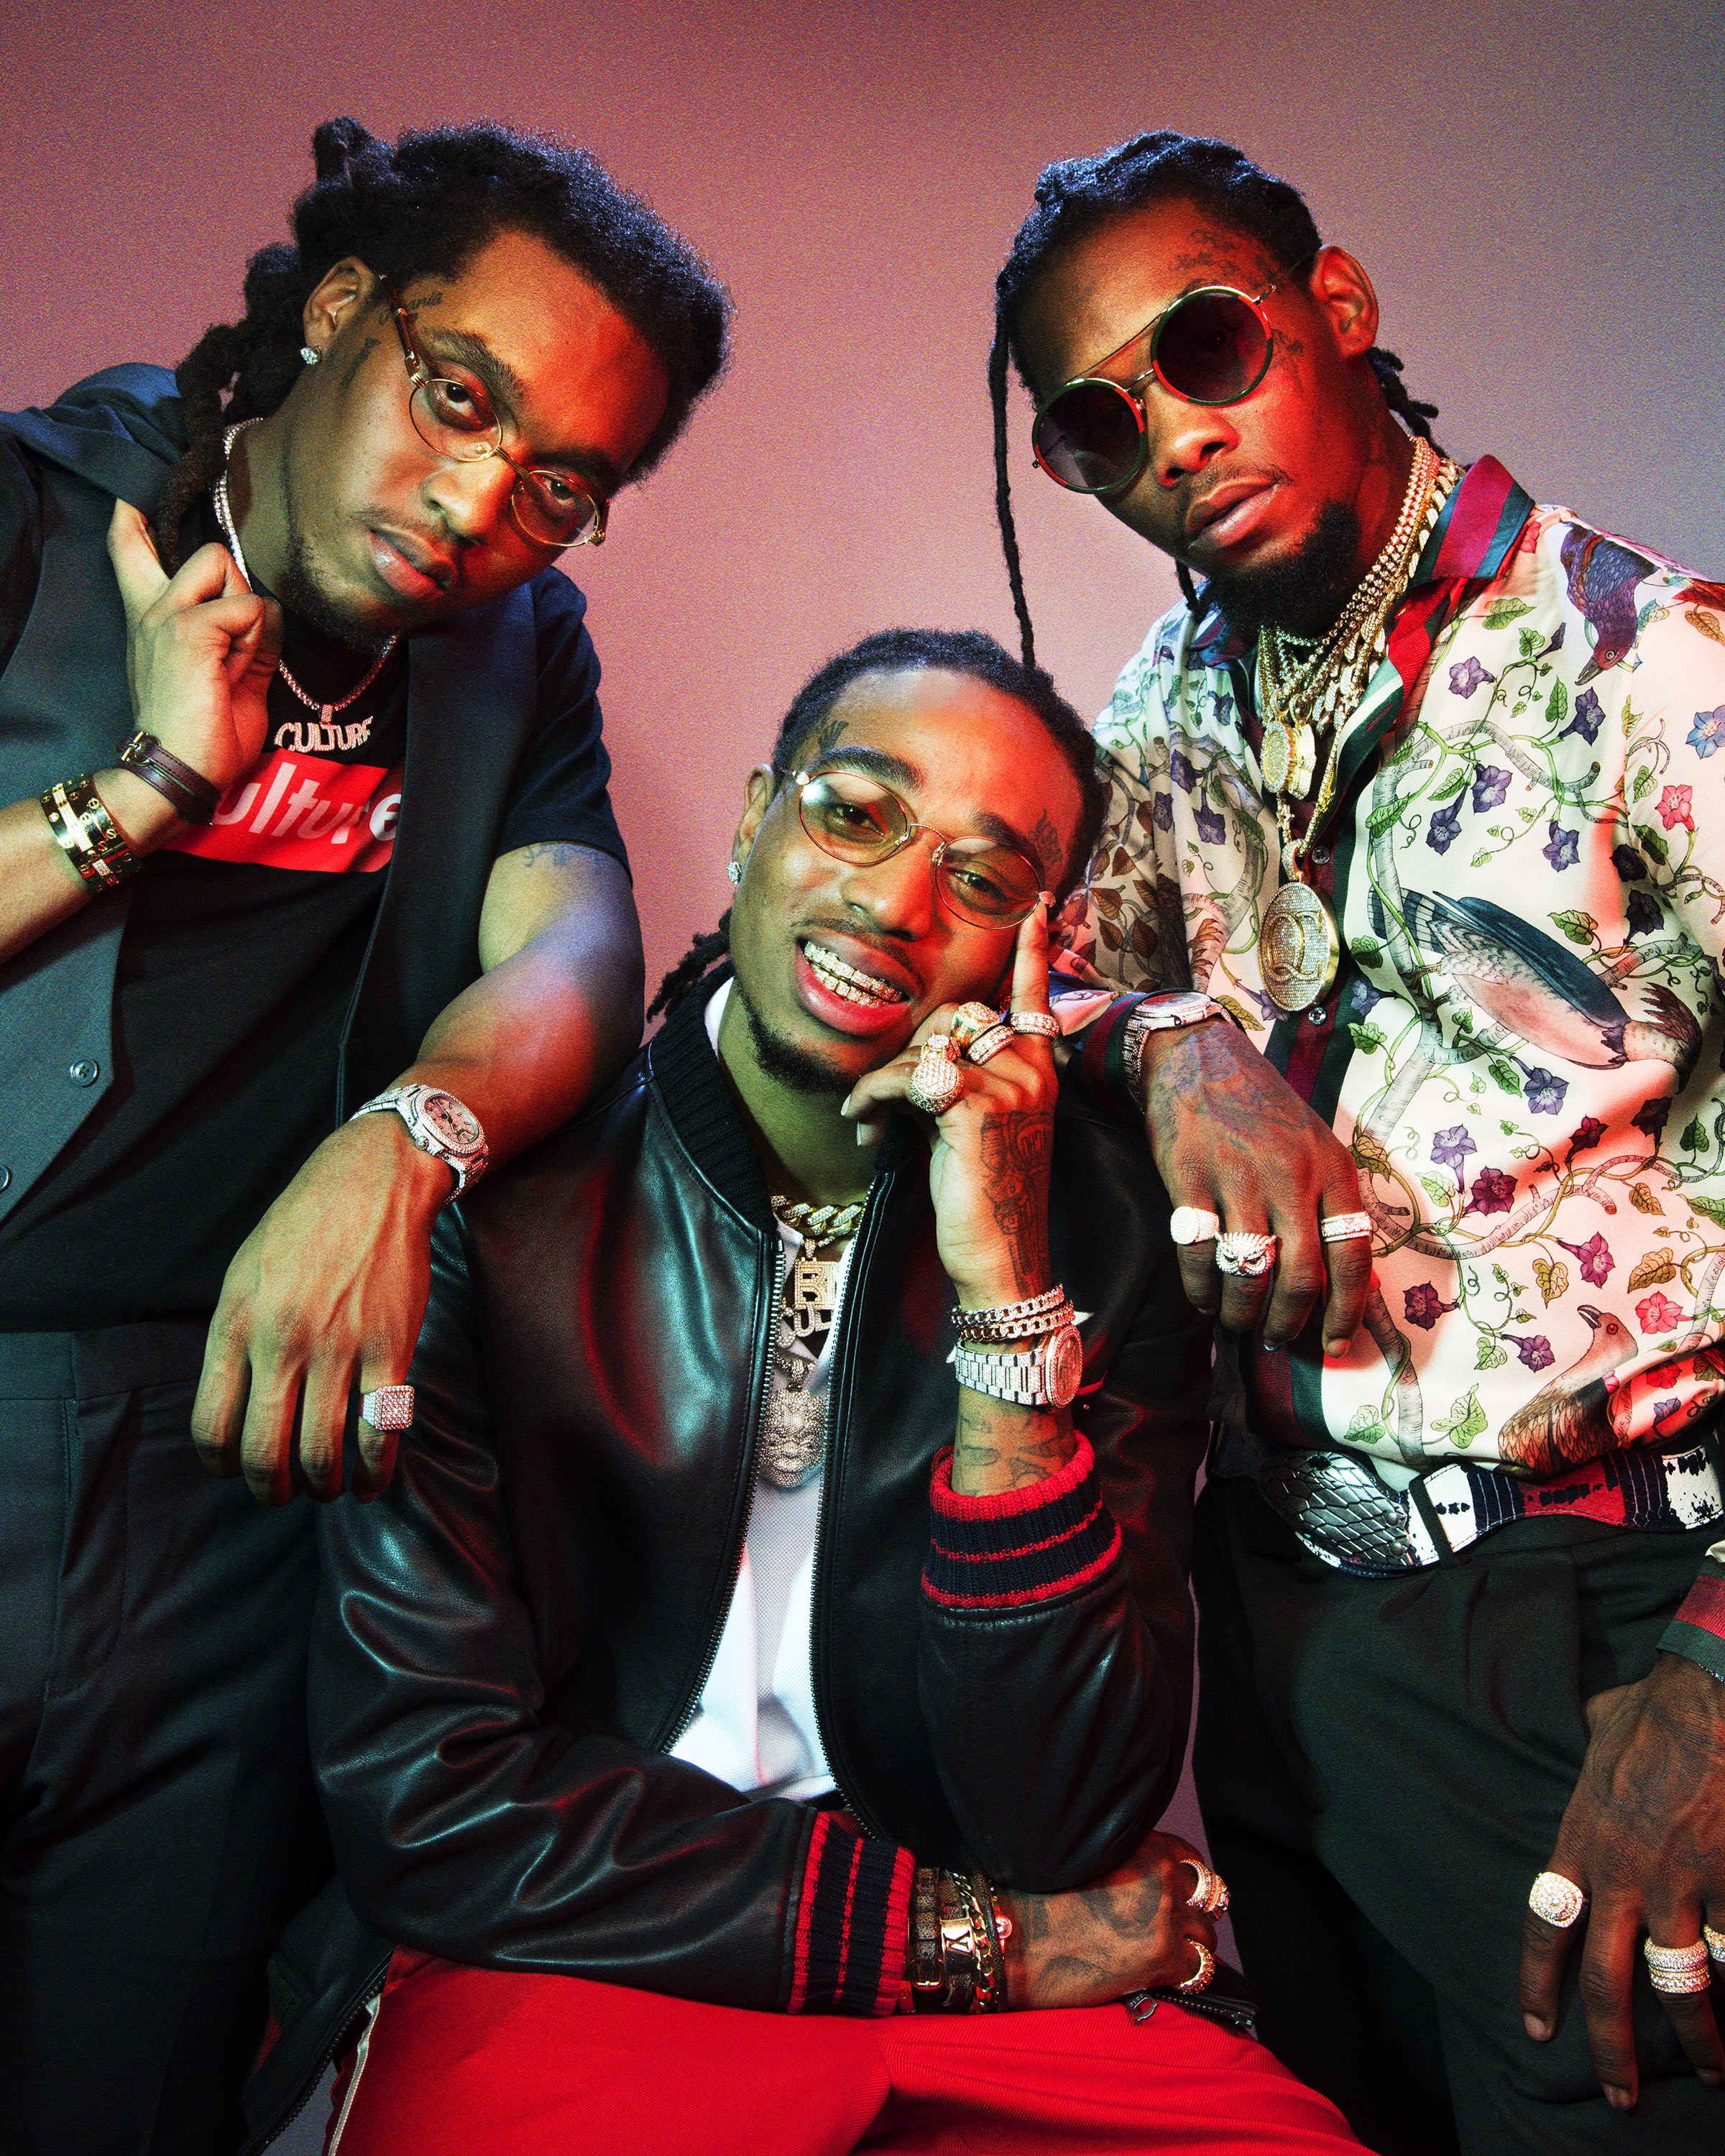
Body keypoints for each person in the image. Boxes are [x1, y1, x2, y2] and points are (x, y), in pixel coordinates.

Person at [247, 630, 1363, 2156]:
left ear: (1042, 944)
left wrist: (1004, 1296)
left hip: (1005, 1964)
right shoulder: (491, 1215)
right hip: (587, 1944)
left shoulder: (1105, 1242)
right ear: (754, 817)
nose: (896, 904)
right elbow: (430, 1803)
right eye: (854, 813)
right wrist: (972, 1942)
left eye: (983, 878)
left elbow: (1059, 1816)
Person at [987, 129, 1725, 2155]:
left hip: (1592, 1612)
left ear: (1336, 308)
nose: (1172, 436)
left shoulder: (1650, 661)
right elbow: (1052, 980)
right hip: (1281, 1624)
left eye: (1205, 347)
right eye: (1098, 422)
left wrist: (1717, 1676)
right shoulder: (1166, 701)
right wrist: (1175, 1045)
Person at [0, 116, 727, 2152]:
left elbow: (575, 947)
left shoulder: (512, 648)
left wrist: (407, 1140)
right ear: (340, 311)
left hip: (234, 1468)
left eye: (559, 485)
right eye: (460, 396)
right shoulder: (42, 516)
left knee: (136, 2092)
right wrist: (148, 787)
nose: (482, 501)